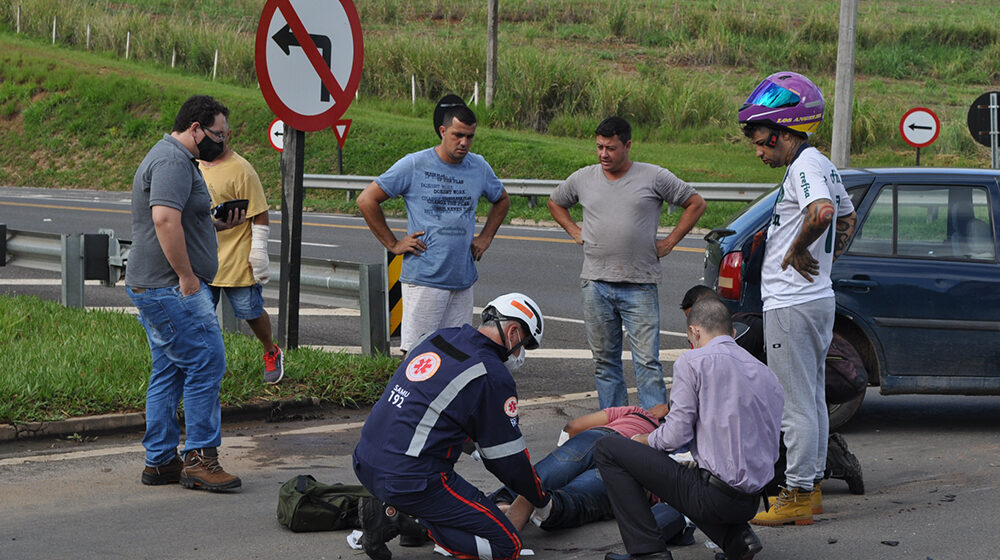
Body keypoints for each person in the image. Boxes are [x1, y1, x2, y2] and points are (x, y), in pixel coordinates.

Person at [737, 71, 858, 526]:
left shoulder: (805, 166)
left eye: (765, 141)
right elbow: (846, 215)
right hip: (815, 299)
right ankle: (812, 488)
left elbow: (824, 212)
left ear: (787, 131)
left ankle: (798, 495)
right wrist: (825, 259)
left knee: (795, 402)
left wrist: (797, 248)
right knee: (811, 397)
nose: (760, 151)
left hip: (792, 302)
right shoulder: (821, 163)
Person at [352, 293, 548, 560]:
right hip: (412, 480)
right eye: (524, 344)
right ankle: (405, 518)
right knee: (507, 546)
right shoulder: (491, 373)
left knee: (459, 506)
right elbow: (509, 461)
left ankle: (402, 513)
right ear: (513, 332)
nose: (520, 353)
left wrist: (475, 448)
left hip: (365, 459)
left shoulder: (436, 337)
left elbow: (433, 413)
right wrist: (540, 498)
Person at [595, 297, 784, 560]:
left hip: (714, 497)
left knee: (608, 448)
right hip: (752, 501)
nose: (691, 344)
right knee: (695, 472)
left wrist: (643, 440)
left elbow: (675, 436)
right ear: (731, 333)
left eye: (690, 338)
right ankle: (738, 540)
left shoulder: (693, 362)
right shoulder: (767, 374)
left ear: (694, 331)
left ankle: (647, 552)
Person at [548, 116, 706, 410]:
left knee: (647, 362)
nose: (603, 154)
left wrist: (669, 242)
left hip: (639, 284)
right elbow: (555, 202)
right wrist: (575, 231)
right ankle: (616, 426)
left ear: (628, 145)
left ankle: (656, 431)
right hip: (595, 284)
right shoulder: (583, 178)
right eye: (599, 147)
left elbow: (695, 203)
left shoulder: (654, 176)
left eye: (610, 147)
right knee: (605, 363)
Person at [126, 94, 243, 492]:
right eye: (218, 134)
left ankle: (160, 461)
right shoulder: (173, 160)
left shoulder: (173, 158)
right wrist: (187, 277)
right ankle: (201, 459)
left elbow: (179, 218)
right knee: (208, 362)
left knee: (170, 368)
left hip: (155, 285)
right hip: (170, 287)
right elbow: (163, 218)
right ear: (195, 129)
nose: (223, 143)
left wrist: (216, 225)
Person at [678, 285, 864, 504]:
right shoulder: (734, 333)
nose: (692, 333)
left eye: (694, 321)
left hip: (775, 434)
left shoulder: (734, 340)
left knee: (751, 483)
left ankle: (831, 462)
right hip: (770, 429)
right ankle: (814, 470)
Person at [356, 94, 511, 356]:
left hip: (462, 280)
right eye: (457, 135)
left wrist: (485, 238)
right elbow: (366, 199)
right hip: (425, 278)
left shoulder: (479, 166)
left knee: (456, 355)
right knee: (416, 355)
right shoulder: (415, 164)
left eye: (470, 136)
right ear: (443, 131)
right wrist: (393, 244)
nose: (464, 143)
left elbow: (502, 200)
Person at [494, 405, 695, 548]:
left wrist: (564, 449)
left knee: (551, 470)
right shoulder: (688, 446)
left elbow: (573, 426)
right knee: (579, 496)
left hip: (603, 438)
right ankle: (548, 506)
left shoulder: (639, 414)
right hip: (631, 470)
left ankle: (502, 502)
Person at [198, 119, 283, 384]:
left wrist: (258, 253)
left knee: (251, 311)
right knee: (200, 318)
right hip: (202, 259)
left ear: (226, 135)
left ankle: (271, 350)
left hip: (236, 259)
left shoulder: (242, 170)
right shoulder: (192, 165)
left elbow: (260, 214)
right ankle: (206, 366)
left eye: (219, 134)